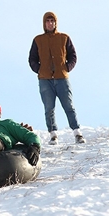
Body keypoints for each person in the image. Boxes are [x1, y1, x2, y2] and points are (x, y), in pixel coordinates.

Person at [28, 11, 85, 145]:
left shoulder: (64, 38)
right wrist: (39, 70)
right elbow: (32, 58)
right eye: (47, 21)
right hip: (45, 79)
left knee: (69, 105)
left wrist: (67, 68)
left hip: (61, 78)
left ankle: (77, 132)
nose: (50, 23)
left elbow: (72, 55)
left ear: (56, 23)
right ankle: (53, 134)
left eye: (52, 21)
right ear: (44, 23)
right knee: (49, 108)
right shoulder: (38, 40)